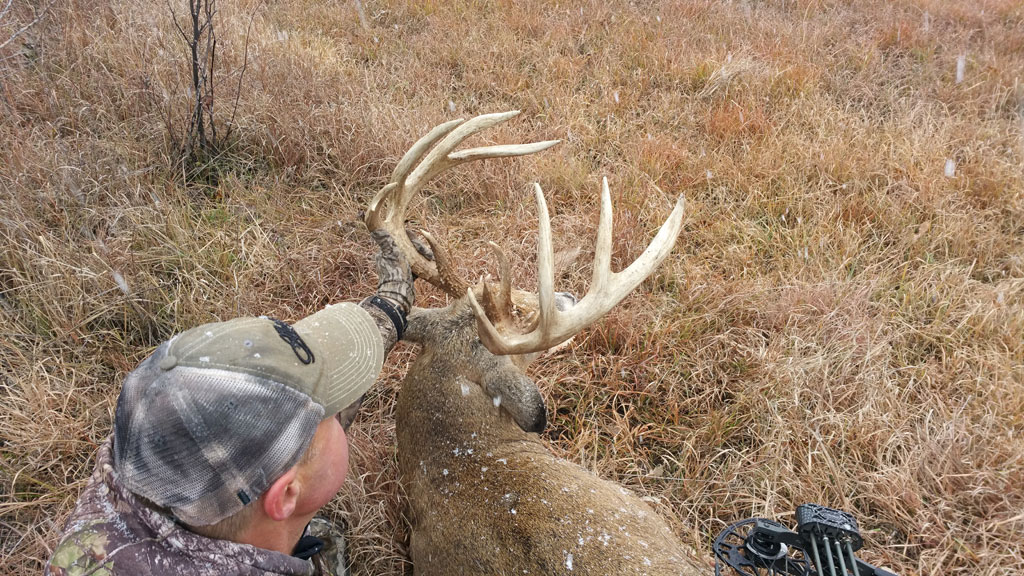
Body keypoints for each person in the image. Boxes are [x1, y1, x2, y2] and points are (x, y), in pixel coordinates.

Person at [46, 230, 421, 576]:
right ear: (287, 495)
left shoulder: (127, 475)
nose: (341, 415)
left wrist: (391, 302)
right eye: (332, 416)